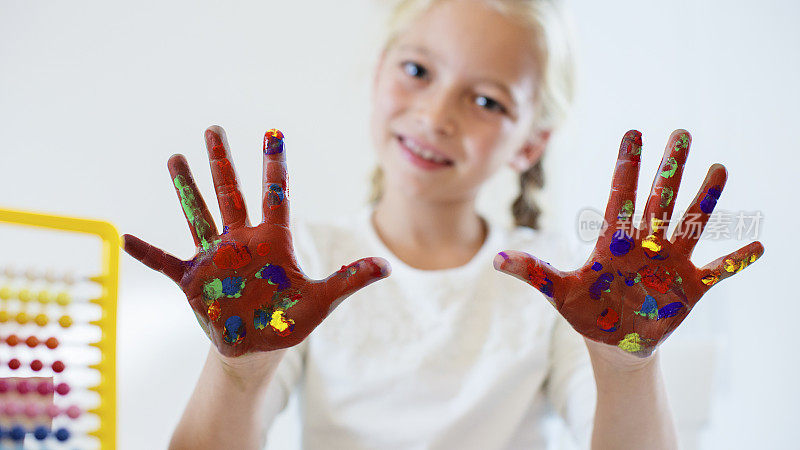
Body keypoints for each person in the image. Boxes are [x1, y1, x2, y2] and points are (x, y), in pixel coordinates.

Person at [121, 0, 762, 449]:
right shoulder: (296, 269)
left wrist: (626, 365)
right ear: (378, 73)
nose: (435, 114)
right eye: (418, 71)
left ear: (530, 144)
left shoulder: (570, 287)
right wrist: (239, 370)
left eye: (487, 100)